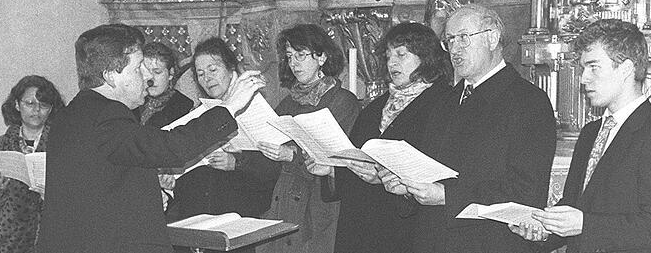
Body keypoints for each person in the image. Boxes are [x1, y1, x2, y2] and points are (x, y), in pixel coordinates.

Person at [36, 23, 265, 253]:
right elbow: (171, 147)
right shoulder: (107, 115)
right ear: (111, 76)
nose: (147, 78)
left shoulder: (73, 114)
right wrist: (229, 106)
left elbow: (101, 183)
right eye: (138, 69)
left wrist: (148, 195)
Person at [379, 4, 557, 252]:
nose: (455, 49)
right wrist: (406, 187)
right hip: (431, 240)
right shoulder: (444, 100)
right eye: (449, 40)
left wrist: (447, 196)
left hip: (486, 243)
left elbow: (526, 191)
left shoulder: (528, 101)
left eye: (464, 38)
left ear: (492, 38)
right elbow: (429, 169)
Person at [510, 19, 651, 252]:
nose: (583, 78)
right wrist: (545, 230)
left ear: (626, 69)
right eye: (583, 68)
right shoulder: (590, 132)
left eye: (594, 67)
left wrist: (584, 224)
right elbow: (576, 204)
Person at [334, 22, 453, 253]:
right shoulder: (374, 107)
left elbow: (442, 167)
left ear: (425, 56)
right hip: (362, 226)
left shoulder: (445, 103)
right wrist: (331, 170)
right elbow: (354, 154)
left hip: (407, 228)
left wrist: (389, 177)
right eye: (388, 56)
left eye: (401, 54)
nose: (392, 63)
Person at [257, 24, 361, 253]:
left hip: (318, 207)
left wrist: (291, 155)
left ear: (322, 57)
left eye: (301, 55)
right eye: (290, 56)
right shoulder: (287, 102)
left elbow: (344, 162)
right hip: (283, 201)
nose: (294, 63)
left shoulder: (342, 101)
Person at [169, 37, 280, 224]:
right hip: (202, 211)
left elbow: (274, 167)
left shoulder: (255, 107)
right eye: (200, 73)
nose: (207, 78)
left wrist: (236, 162)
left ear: (230, 69)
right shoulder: (202, 111)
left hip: (241, 210)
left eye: (213, 70)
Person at [0, 75, 65, 253]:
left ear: (51, 109)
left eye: (44, 104)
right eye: (30, 103)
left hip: (54, 242)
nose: (37, 110)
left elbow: (83, 199)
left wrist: (53, 196)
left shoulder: (64, 147)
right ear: (17, 105)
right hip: (9, 245)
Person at [131, 42, 195, 213]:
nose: (150, 79)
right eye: (145, 71)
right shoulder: (133, 102)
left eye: (157, 72)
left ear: (171, 74)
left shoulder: (183, 106)